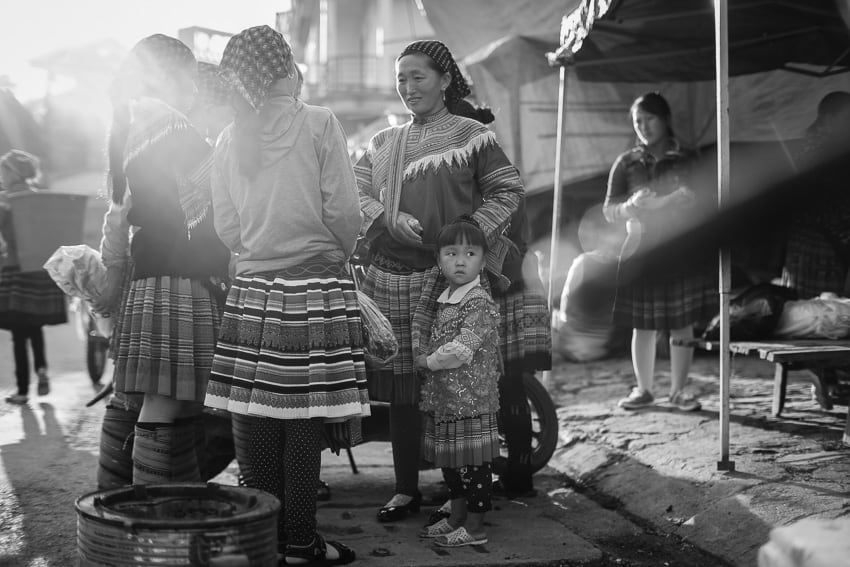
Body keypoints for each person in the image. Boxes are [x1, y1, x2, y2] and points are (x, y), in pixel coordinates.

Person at [203, 25, 366, 565]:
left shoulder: (231, 136)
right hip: (314, 284)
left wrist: (255, 252)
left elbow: (225, 224)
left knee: (254, 417)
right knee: (304, 421)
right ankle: (300, 541)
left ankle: (264, 539)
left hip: (251, 289)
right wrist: (337, 252)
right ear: (288, 69)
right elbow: (344, 209)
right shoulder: (319, 122)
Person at [354, 39, 523, 522]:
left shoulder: (473, 135)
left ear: (446, 80)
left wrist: (464, 243)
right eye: (401, 79)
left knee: (457, 388)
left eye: (418, 77)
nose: (407, 88)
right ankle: (406, 490)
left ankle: (461, 499)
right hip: (391, 277)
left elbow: (508, 190)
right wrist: (387, 219)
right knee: (404, 392)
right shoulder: (383, 142)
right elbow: (352, 192)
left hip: (449, 283)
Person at [92, 59, 235, 489]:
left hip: (150, 279)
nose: (194, 91)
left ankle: (163, 500)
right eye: (189, 79)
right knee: (165, 402)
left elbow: (119, 219)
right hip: (178, 281)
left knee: (166, 401)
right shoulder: (174, 129)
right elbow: (220, 199)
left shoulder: (133, 129)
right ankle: (151, 507)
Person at [603, 91, 716, 412]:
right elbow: (608, 210)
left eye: (649, 119)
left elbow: (709, 201)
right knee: (643, 323)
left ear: (665, 119)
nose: (643, 126)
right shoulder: (626, 162)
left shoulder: (688, 157)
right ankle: (644, 389)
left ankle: (679, 391)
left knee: (682, 322)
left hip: (681, 249)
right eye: (638, 121)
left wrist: (694, 201)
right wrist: (629, 207)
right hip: (641, 249)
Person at [415, 216, 500, 547]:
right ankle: (456, 517)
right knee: (451, 463)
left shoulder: (477, 301)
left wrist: (428, 361)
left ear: (482, 259)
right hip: (446, 400)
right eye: (451, 253)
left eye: (470, 253)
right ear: (438, 260)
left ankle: (476, 528)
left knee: (474, 466)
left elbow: (462, 349)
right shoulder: (445, 299)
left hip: (472, 401)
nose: (460, 261)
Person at [0, 150, 67, 404]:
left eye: (2, 171)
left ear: (11, 173)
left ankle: (22, 390)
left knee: (19, 333)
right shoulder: (41, 199)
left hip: (15, 270)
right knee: (34, 326)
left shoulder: (5, 201)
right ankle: (41, 369)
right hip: (39, 269)